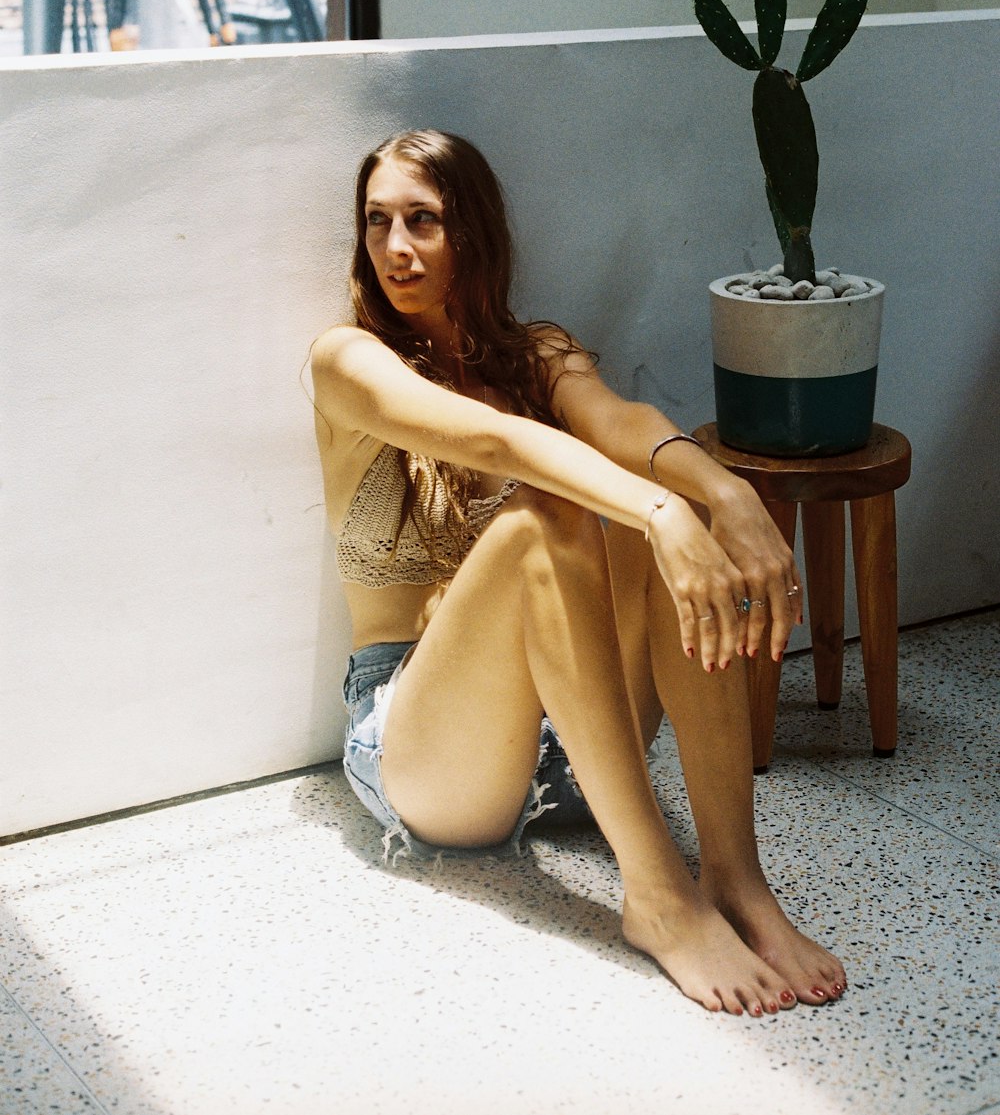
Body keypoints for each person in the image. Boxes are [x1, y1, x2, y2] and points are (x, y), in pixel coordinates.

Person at [311, 129, 847, 1017]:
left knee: (651, 504)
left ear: (473, 233)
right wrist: (659, 507)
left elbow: (620, 418)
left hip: (577, 745)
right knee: (551, 520)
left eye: (423, 221)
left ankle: (737, 880)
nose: (395, 247)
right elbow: (497, 440)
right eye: (377, 222)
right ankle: (659, 898)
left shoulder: (535, 352)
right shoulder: (348, 362)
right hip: (431, 754)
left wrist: (719, 491)